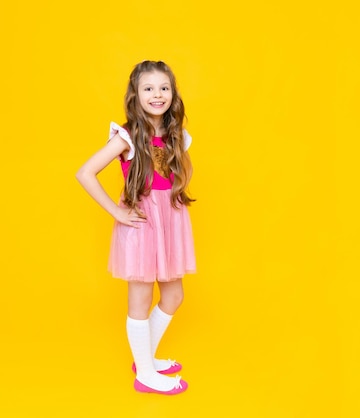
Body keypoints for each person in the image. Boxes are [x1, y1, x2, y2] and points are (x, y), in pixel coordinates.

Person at [76, 60, 196, 395]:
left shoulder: (177, 136)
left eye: (164, 88)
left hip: (169, 220)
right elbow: (85, 173)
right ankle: (145, 373)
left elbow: (172, 177)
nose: (157, 94)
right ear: (136, 94)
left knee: (174, 294)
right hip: (142, 223)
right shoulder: (127, 135)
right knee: (141, 299)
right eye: (148, 88)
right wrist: (117, 212)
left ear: (173, 93)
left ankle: (144, 358)